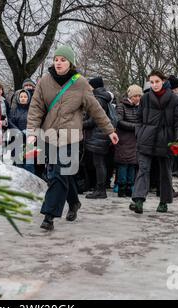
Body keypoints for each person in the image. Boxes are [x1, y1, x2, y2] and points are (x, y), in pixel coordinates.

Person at [26, 45, 118, 231]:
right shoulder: (45, 81)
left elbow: (95, 109)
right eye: (56, 59)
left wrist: (110, 130)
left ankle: (49, 215)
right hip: (49, 135)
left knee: (59, 173)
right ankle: (74, 202)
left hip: (71, 137)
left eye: (63, 60)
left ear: (71, 63)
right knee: (62, 174)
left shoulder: (81, 83)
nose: (58, 63)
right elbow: (36, 108)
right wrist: (32, 132)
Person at [129, 70, 178, 214]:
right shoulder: (146, 98)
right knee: (143, 170)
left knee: (165, 172)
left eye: (157, 81)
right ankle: (138, 201)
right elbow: (138, 118)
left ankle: (164, 202)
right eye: (152, 82)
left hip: (166, 140)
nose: (154, 85)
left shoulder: (174, 99)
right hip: (146, 139)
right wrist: (139, 132)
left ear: (163, 81)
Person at [83, 76, 114, 199]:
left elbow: (92, 121)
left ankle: (100, 190)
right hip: (101, 135)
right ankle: (99, 188)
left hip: (98, 136)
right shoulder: (103, 98)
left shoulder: (98, 100)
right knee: (99, 163)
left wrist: (78, 124)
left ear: (94, 86)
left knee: (99, 163)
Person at [115, 85, 142, 197]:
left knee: (132, 164)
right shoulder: (121, 106)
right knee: (123, 164)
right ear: (131, 96)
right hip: (124, 139)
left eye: (139, 96)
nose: (138, 98)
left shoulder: (140, 107)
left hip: (135, 140)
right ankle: (121, 187)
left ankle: (130, 187)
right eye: (136, 95)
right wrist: (136, 127)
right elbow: (119, 121)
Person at [9, 89, 34, 174]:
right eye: (21, 97)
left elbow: (35, 122)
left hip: (30, 140)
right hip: (17, 140)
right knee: (18, 163)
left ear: (29, 98)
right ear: (18, 98)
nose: (23, 98)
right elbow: (10, 122)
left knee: (29, 164)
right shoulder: (13, 110)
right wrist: (19, 132)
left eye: (25, 97)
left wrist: (28, 131)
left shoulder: (32, 110)